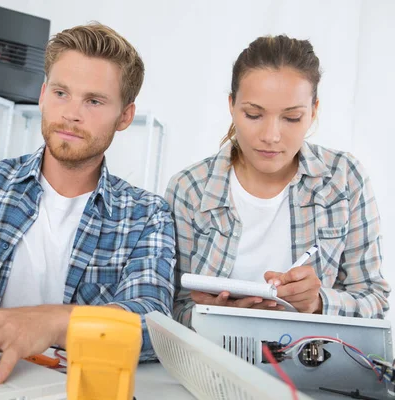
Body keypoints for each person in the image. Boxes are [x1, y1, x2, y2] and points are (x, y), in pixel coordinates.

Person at [0, 22, 175, 383]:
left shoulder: (147, 216)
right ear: (43, 94)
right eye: (62, 93)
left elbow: (151, 324)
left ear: (125, 115)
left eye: (94, 101)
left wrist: (51, 321)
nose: (71, 113)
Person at [166, 35, 390, 327]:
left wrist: (318, 303)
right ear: (232, 106)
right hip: (213, 362)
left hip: (314, 363)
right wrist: (209, 314)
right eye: (254, 114)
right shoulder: (188, 189)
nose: (271, 136)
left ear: (314, 111)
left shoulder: (344, 178)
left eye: (292, 118)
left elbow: (374, 299)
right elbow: (168, 306)